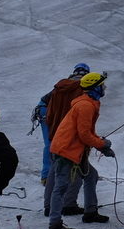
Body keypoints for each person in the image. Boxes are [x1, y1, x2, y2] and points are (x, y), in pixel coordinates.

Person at [47, 71, 115, 229]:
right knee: (61, 187)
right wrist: (102, 144)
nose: (104, 87)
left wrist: (100, 145)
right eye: (102, 85)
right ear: (94, 88)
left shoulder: (88, 104)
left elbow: (85, 133)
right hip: (66, 151)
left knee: (91, 175)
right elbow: (84, 134)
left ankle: (90, 212)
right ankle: (54, 225)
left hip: (71, 149)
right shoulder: (85, 106)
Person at [38, 62, 91, 216]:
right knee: (76, 165)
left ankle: (47, 192)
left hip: (49, 118)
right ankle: (67, 205)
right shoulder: (82, 88)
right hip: (65, 128)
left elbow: (47, 101)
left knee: (52, 150)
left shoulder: (63, 85)